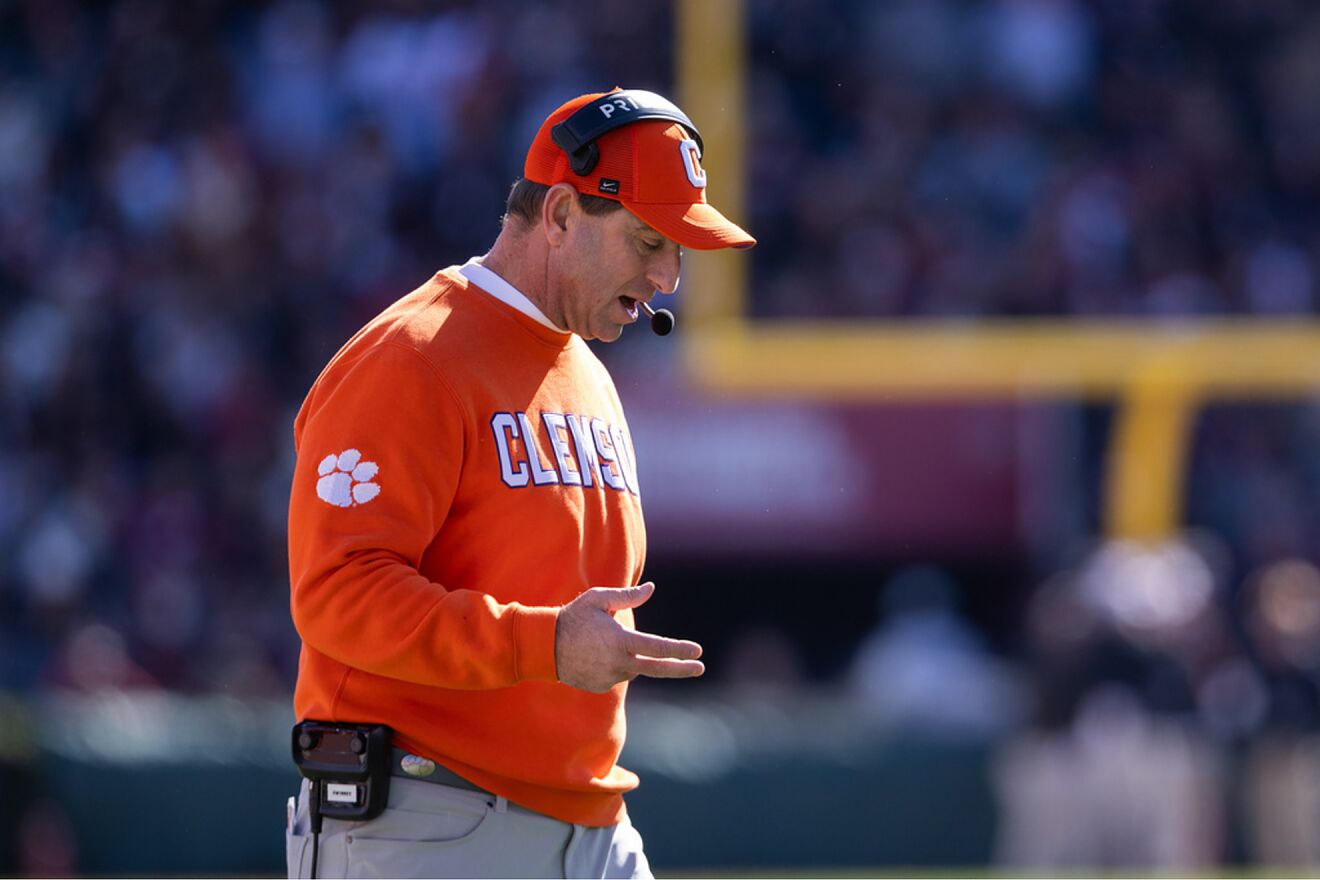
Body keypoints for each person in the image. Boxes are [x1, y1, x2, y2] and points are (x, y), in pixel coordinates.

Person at [283, 88, 755, 879]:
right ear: (562, 215)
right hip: (429, 819)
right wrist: (544, 644)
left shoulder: (590, 375)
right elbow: (336, 593)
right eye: (648, 241)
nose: (670, 276)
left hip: (593, 828)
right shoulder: (412, 356)